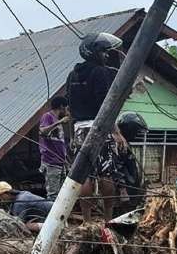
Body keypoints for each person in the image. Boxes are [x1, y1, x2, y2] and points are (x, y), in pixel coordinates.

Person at [66, 32, 129, 223]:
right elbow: (106, 106)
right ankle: (107, 219)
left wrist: (71, 136)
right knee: (106, 172)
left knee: (83, 175)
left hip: (79, 129)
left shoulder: (72, 74)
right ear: (94, 52)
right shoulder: (100, 72)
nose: (106, 55)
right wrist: (116, 132)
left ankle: (87, 220)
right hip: (99, 128)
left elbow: (70, 108)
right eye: (103, 51)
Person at [39, 96, 69, 200]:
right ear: (61, 106)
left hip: (60, 162)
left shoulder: (56, 119)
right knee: (53, 195)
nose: (66, 111)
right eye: (66, 108)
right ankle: (51, 215)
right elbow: (42, 131)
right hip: (51, 162)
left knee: (62, 195)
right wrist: (59, 122)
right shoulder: (48, 116)